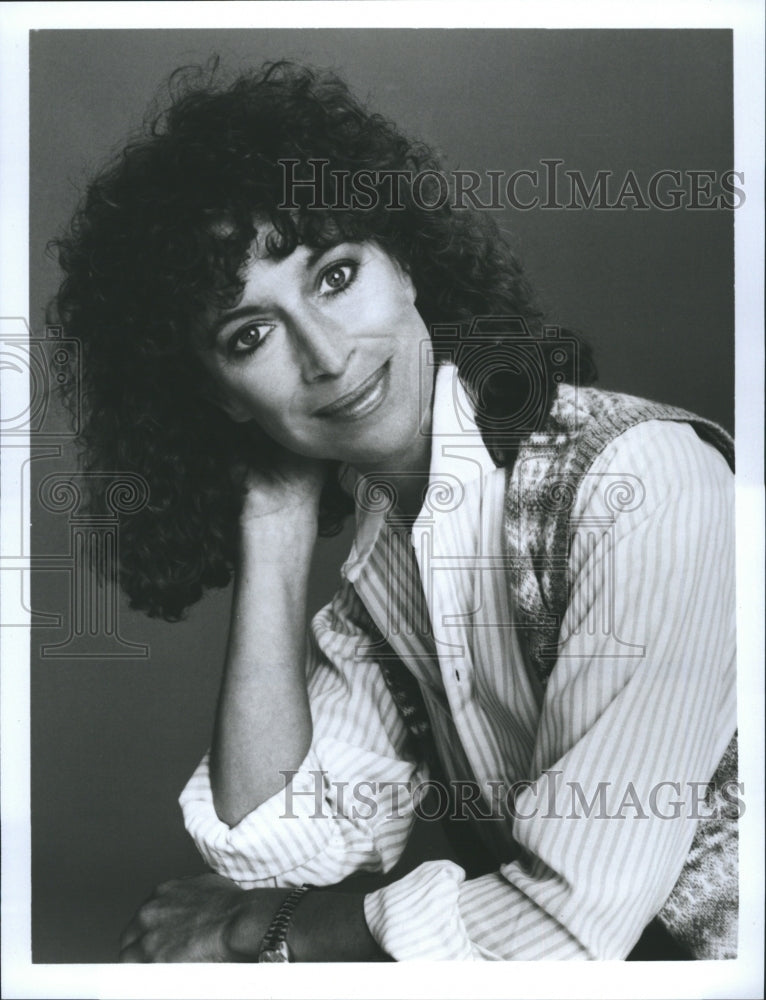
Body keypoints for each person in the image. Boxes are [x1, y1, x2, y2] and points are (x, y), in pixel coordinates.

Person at [52, 60, 737, 962]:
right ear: (216, 394)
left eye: (335, 275)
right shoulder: (387, 567)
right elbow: (283, 844)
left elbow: (565, 928)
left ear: (406, 260)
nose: (328, 357)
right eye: (250, 336)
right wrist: (273, 527)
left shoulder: (639, 486)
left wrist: (260, 929)